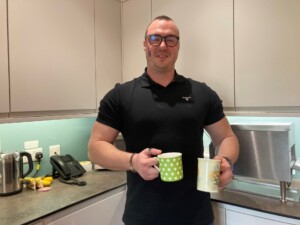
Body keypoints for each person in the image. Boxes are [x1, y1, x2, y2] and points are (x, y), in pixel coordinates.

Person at [88, 15, 239, 225]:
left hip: (196, 216)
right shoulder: (120, 96)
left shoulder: (203, 93)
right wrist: (132, 162)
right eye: (154, 38)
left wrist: (225, 161)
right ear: (145, 44)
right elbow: (95, 148)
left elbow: (226, 137)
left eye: (170, 39)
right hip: (142, 216)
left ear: (178, 46)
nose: (162, 45)